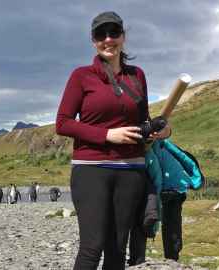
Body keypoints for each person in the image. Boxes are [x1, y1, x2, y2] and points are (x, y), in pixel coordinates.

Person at [56, 11, 171, 269]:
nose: (108, 39)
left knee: (117, 248)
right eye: (101, 34)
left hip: (132, 171)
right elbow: (62, 123)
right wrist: (107, 135)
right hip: (91, 169)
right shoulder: (81, 76)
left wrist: (160, 130)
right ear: (93, 40)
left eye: (114, 33)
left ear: (123, 36)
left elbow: (144, 119)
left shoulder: (137, 75)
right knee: (91, 247)